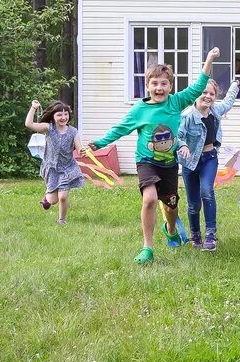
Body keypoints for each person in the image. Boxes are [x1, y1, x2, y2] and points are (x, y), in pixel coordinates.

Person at [88, 47, 221, 264]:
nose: (159, 88)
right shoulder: (139, 110)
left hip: (169, 164)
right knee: (149, 199)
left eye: (164, 84)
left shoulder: (176, 102)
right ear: (147, 85)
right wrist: (100, 143)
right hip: (146, 161)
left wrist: (209, 59)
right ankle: (147, 248)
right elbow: (120, 129)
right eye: (155, 84)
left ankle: (170, 229)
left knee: (171, 207)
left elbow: (198, 87)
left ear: (170, 86)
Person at [177, 78, 240, 251]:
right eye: (204, 92)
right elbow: (179, 135)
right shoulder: (188, 115)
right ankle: (195, 235)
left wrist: (235, 85)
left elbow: (227, 102)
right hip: (190, 162)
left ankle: (211, 235)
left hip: (209, 158)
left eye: (211, 93)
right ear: (196, 94)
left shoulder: (215, 111)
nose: (207, 96)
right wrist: (182, 145)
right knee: (193, 204)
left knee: (207, 190)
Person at [25, 100, 85, 224]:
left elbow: (79, 148)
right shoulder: (49, 128)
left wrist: (83, 151)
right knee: (53, 200)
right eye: (59, 115)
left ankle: (62, 220)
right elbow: (29, 124)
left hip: (67, 168)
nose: (63, 117)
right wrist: (33, 108)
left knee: (63, 196)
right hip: (51, 168)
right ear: (53, 116)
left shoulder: (73, 131)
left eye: (66, 114)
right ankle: (46, 199)